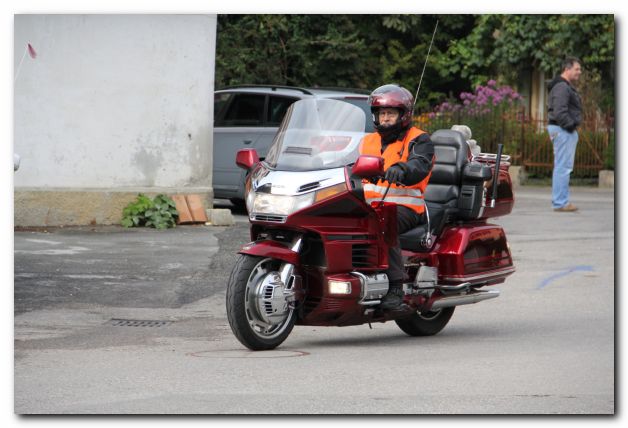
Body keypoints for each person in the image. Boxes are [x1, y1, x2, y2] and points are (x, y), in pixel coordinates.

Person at [359, 84, 434, 310]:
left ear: (403, 115)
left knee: (382, 222)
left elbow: (420, 165)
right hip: (370, 204)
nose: (386, 118)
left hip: (407, 209)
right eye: (382, 113)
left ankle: (395, 287)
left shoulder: (419, 140)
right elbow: (347, 164)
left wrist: (403, 169)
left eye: (391, 113)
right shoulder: (367, 141)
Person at [547, 56, 583, 212]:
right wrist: (571, 126)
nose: (579, 72)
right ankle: (560, 202)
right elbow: (560, 111)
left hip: (562, 130)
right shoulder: (562, 86)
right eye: (577, 69)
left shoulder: (562, 85)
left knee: (562, 166)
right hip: (563, 130)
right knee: (563, 167)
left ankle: (560, 201)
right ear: (567, 69)